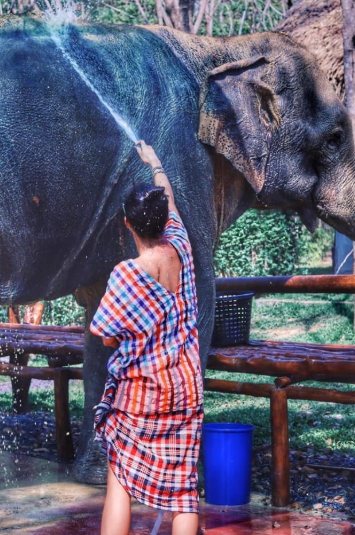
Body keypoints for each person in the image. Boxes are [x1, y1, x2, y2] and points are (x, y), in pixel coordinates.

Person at [90, 140, 204, 535]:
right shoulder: (182, 247)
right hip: (186, 387)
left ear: (127, 224)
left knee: (119, 478)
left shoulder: (127, 274)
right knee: (183, 491)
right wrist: (155, 162)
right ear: (161, 220)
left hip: (141, 394)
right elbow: (169, 202)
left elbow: (103, 334)